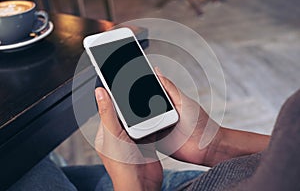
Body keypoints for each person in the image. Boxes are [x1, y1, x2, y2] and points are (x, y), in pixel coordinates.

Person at [8, 69, 300, 191]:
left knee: (18, 164)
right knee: (38, 165)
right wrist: (216, 144)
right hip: (221, 178)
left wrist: (132, 187)